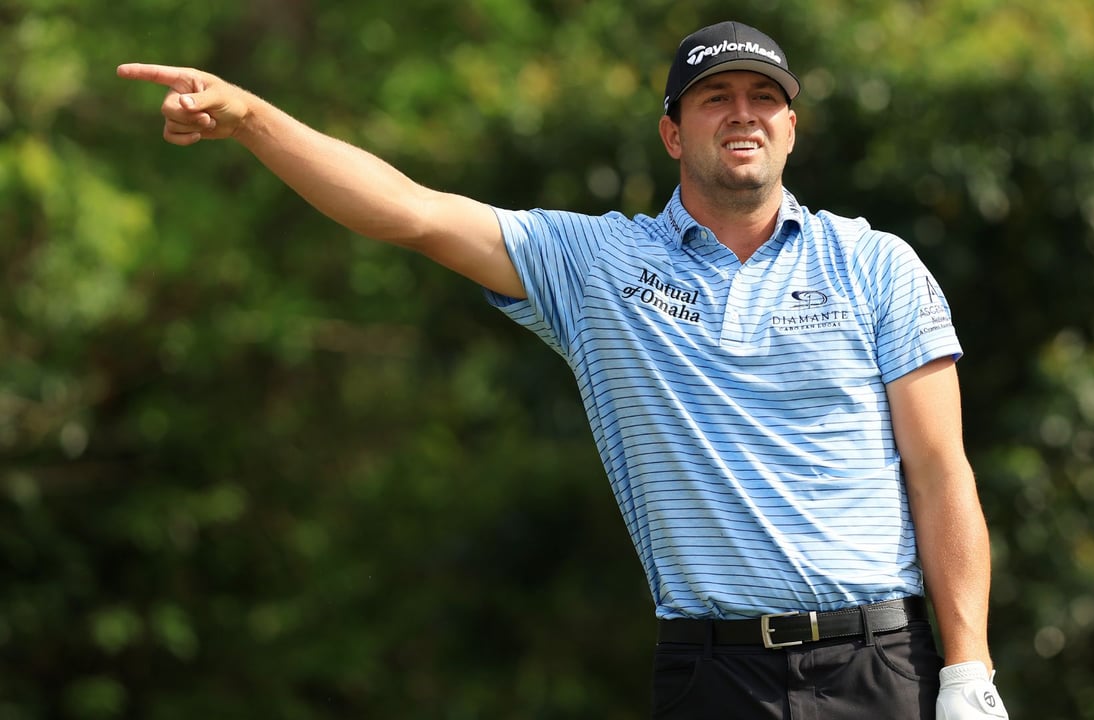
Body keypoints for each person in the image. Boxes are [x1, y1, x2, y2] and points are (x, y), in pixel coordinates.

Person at [119, 19, 1009, 719]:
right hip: (712, 672)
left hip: (882, 663)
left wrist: (967, 669)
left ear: (791, 127)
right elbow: (412, 213)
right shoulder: (597, 266)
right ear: (671, 131)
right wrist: (252, 119)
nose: (743, 113)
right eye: (714, 97)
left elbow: (939, 473)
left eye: (764, 98)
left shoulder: (875, 264)